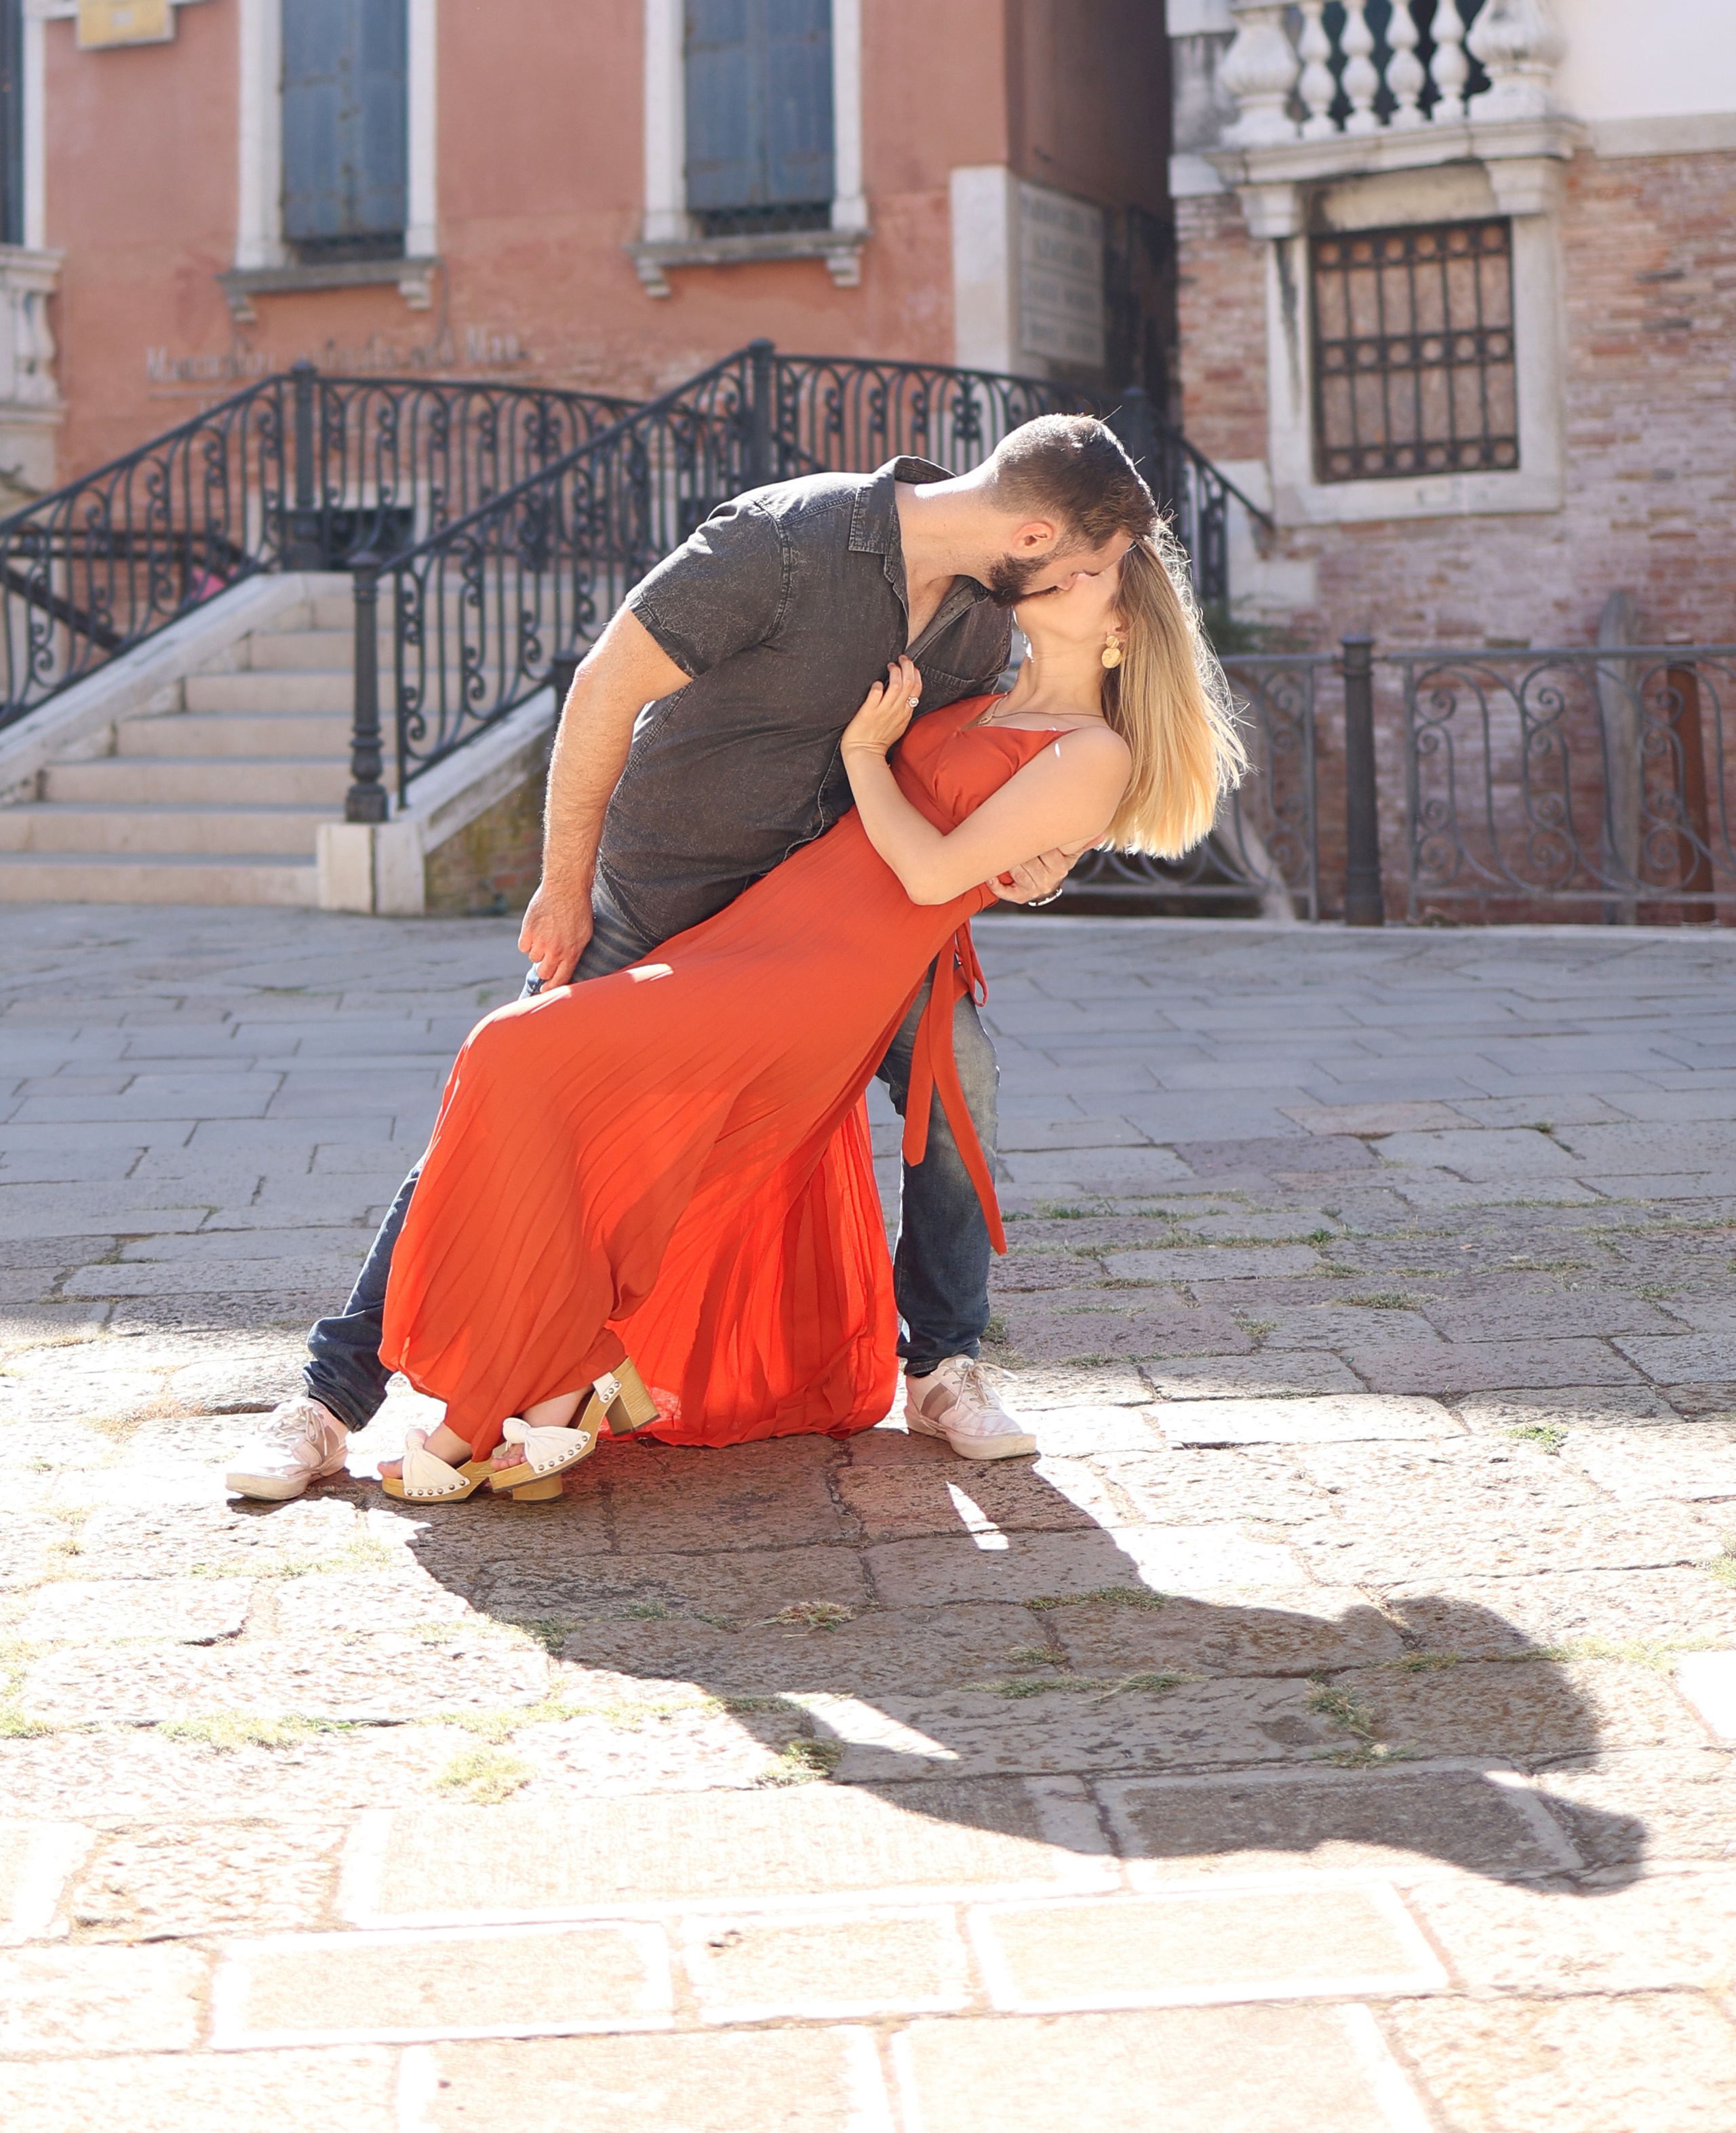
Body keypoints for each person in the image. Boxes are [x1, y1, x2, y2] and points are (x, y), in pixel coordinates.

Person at [225, 418, 1158, 1501]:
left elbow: (973, 776)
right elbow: (603, 688)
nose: (1084, 583)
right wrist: (565, 885)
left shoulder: (986, 622)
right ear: (1036, 534)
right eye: (1087, 564)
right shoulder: (784, 539)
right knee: (512, 1092)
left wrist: (1036, 863)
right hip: (662, 890)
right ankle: (328, 1402)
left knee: (962, 1077)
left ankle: (944, 1364)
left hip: (827, 934)